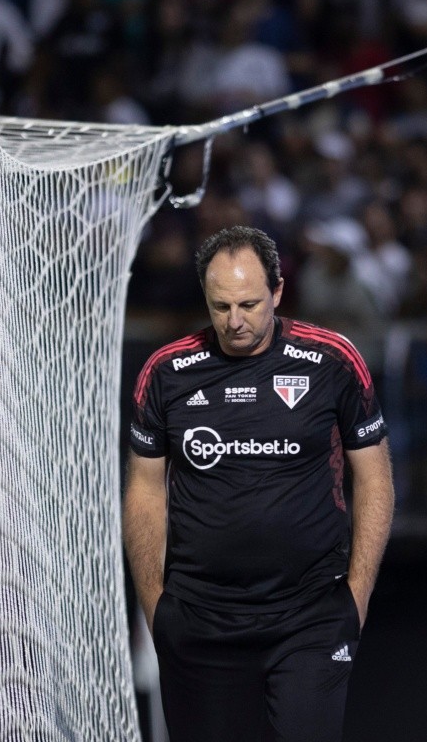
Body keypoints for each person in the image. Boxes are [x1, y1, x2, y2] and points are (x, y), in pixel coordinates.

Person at [122, 225, 394, 742]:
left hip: (310, 618)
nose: (235, 321)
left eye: (249, 304)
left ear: (278, 292)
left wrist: (354, 599)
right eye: (220, 306)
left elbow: (375, 477)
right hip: (200, 622)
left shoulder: (333, 361)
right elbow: (144, 491)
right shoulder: (166, 371)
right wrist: (157, 608)